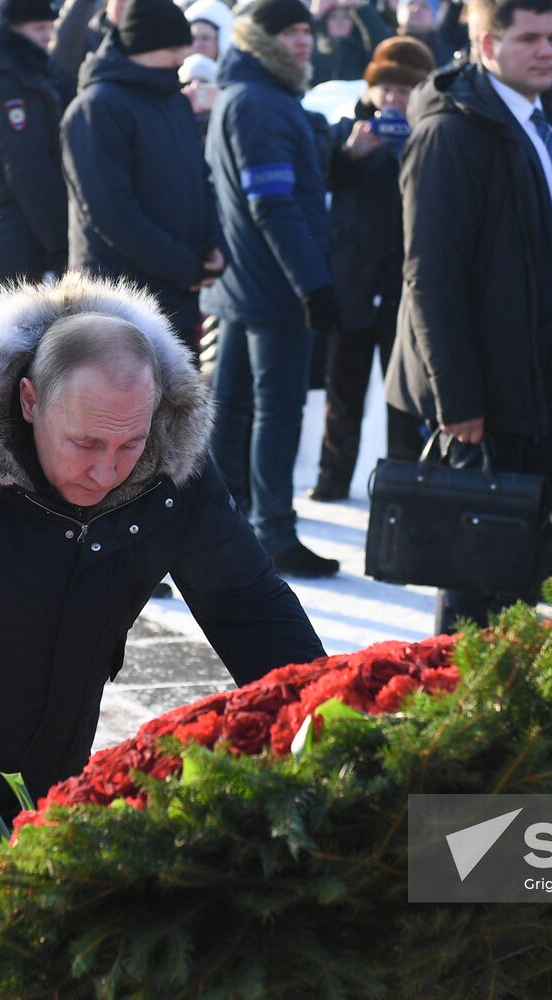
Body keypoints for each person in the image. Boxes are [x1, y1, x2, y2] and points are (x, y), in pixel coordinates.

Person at [0, 274, 325, 865]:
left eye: (127, 444)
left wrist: (341, 729)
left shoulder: (170, 469)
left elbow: (250, 606)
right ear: (30, 402)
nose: (107, 472)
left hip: (56, 777)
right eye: (84, 444)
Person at [386, 0, 552, 631]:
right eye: (528, 38)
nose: (546, 50)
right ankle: (462, 708)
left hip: (545, 364)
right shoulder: (450, 131)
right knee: (475, 572)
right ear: (486, 45)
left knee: (530, 555)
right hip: (480, 385)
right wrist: (458, 398)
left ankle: (511, 705)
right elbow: (430, 276)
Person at [204, 0, 340, 578]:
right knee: (275, 411)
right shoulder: (260, 101)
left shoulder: (248, 91)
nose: (303, 42)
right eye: (289, 32)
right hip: (274, 287)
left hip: (242, 283)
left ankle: (221, 526)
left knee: (231, 408)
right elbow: (273, 203)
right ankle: (274, 532)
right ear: (262, 39)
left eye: (306, 31)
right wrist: (313, 283)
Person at [308, 36, 432, 502]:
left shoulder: (428, 134)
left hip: (403, 285)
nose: (394, 100)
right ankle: (331, 477)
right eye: (387, 90)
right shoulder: (346, 129)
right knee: (344, 392)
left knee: (404, 394)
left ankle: (402, 481)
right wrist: (349, 155)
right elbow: (319, 176)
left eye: (404, 91)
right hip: (351, 285)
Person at [62, 0, 222, 348]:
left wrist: (211, 244)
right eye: (173, 49)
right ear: (144, 46)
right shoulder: (96, 108)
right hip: (117, 300)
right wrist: (184, 265)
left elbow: (199, 177)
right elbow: (111, 213)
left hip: (176, 290)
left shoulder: (173, 100)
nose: (182, 59)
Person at [0, 0, 71, 288]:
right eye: (38, 28)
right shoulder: (9, 76)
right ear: (12, 29)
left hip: (14, 216)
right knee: (19, 319)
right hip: (19, 220)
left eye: (50, 27)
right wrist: (57, 241)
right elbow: (25, 166)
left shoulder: (20, 66)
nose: (47, 35)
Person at [310, 0, 393, 84]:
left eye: (346, 17)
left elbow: (380, 43)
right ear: (325, 22)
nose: (340, 21)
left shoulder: (361, 53)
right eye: (333, 17)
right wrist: (316, 16)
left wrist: (361, 6)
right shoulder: (315, 50)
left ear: (354, 23)